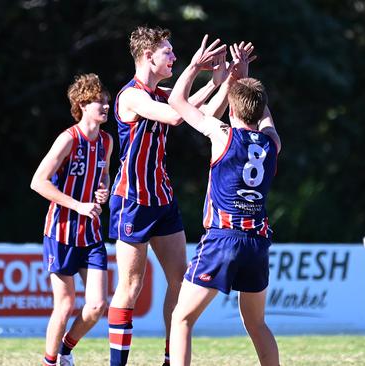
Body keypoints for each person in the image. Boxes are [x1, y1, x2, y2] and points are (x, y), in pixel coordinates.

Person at [107, 26, 229, 366]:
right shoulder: (132, 96)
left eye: (175, 54)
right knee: (130, 288)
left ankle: (169, 358)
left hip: (161, 198)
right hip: (132, 200)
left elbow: (204, 115)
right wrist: (194, 68)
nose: (174, 57)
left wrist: (224, 80)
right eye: (168, 53)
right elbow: (177, 114)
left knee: (181, 280)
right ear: (148, 57)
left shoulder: (161, 93)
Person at [167, 35, 281, 366]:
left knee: (182, 319)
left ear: (231, 108)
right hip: (256, 241)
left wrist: (194, 67)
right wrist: (244, 81)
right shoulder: (272, 144)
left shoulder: (222, 134)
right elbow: (265, 119)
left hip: (224, 239)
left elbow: (177, 100)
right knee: (256, 324)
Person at [31, 73, 113, 366]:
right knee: (64, 305)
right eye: (98, 101)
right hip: (61, 232)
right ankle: (50, 361)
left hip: (90, 235)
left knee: (97, 306)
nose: (105, 106)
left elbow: (102, 177)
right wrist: (78, 205)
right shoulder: (68, 139)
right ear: (82, 104)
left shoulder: (106, 141)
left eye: (106, 101)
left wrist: (103, 191)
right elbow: (38, 182)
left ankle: (65, 349)